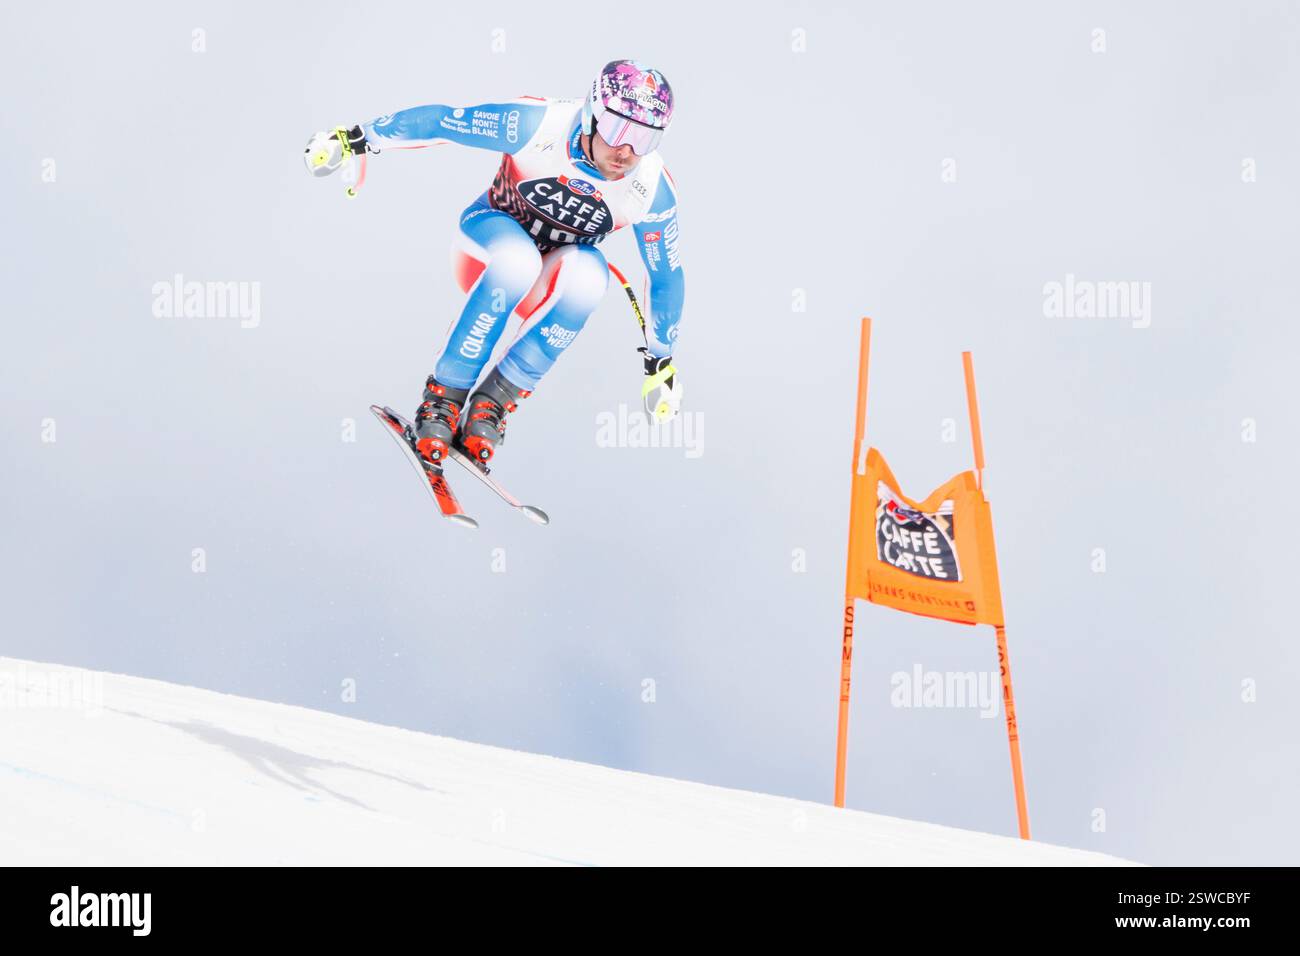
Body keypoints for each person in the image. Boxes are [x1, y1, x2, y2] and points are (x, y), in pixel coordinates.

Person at [305, 60, 685, 466]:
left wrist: (660, 362)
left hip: (544, 287)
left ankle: (494, 403)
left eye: (645, 137)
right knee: (517, 261)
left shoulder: (651, 190)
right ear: (592, 112)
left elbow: (665, 276)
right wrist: (354, 138)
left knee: (592, 277)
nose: (627, 151)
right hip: (487, 249)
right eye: (618, 129)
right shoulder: (540, 125)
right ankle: (443, 399)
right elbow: (445, 122)